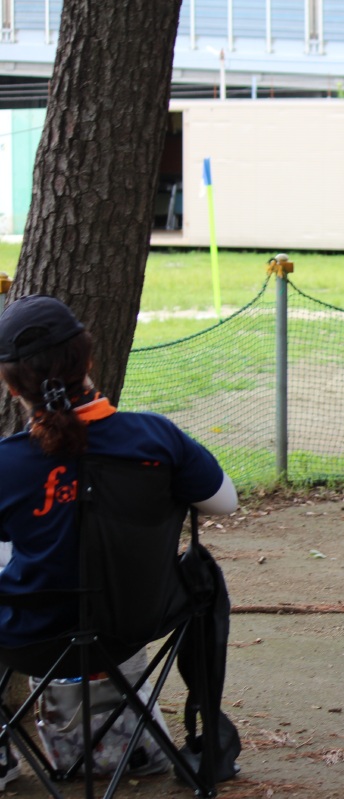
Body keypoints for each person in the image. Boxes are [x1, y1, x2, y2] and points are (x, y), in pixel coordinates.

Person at [0, 295, 240, 785]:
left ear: (11, 386)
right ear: (88, 361)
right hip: (135, 623)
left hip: (30, 639)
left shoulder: (7, 463)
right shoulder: (156, 438)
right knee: (202, 575)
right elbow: (224, 502)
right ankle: (205, 736)